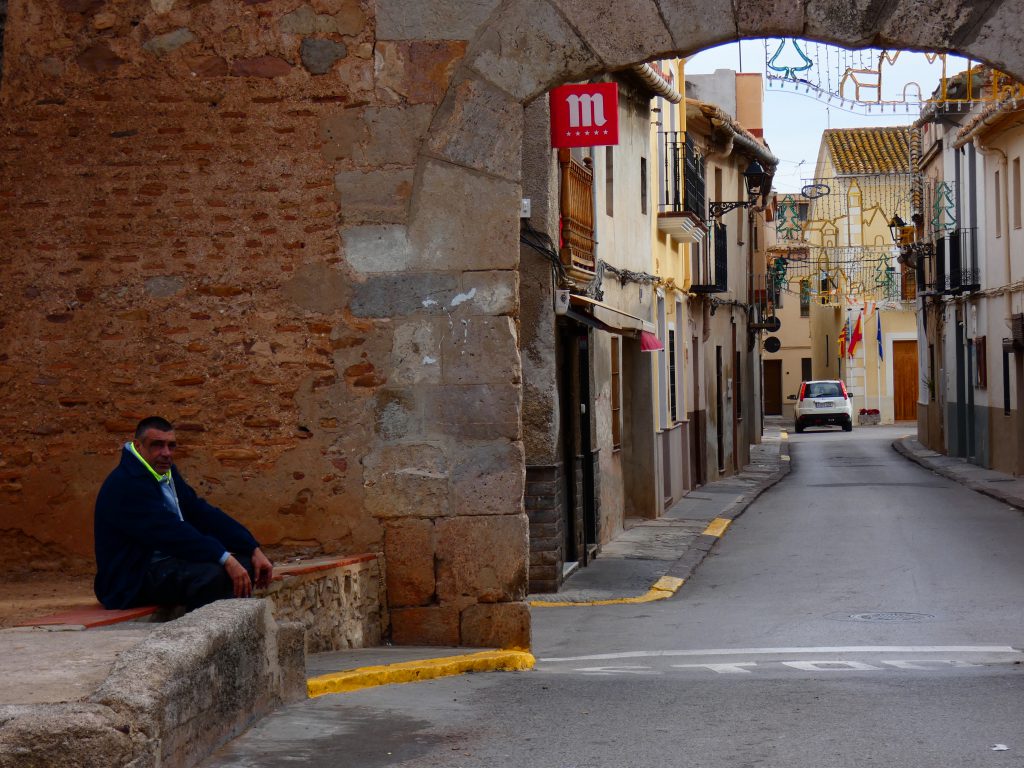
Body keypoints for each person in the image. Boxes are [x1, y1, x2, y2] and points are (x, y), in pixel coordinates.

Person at [94, 416, 273, 611]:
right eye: (157, 445)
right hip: (131, 578)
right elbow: (170, 532)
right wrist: (224, 557)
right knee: (213, 575)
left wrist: (251, 547)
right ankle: (201, 634)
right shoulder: (127, 483)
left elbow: (200, 513)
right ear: (138, 446)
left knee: (251, 564)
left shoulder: (165, 472)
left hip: (167, 562)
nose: (166, 453)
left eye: (171, 446)